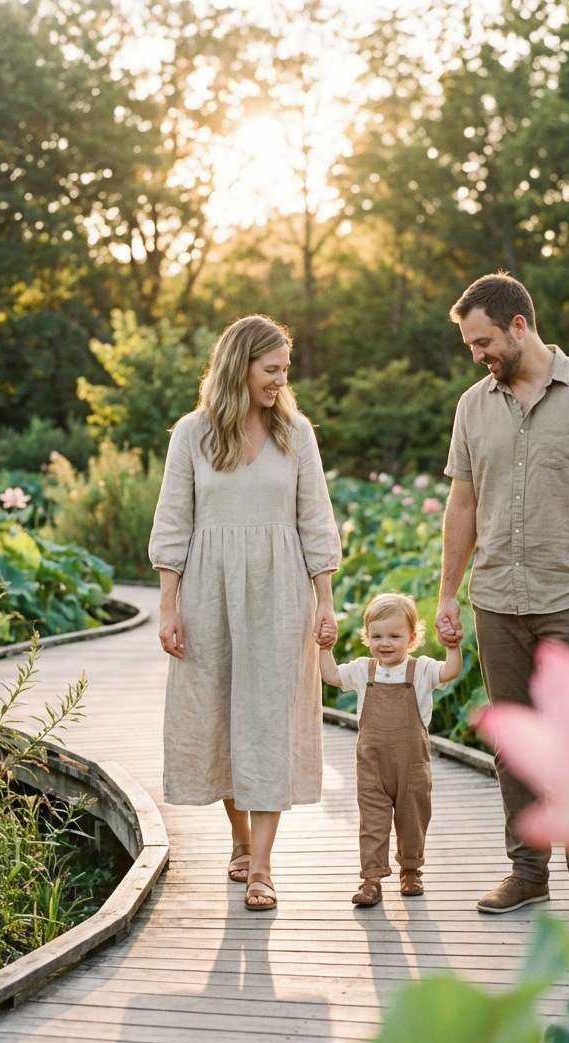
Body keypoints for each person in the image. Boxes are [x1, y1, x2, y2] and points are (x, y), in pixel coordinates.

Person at [436, 272, 569, 920]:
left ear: (519, 326)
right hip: (497, 598)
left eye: (484, 342)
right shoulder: (472, 406)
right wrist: (447, 594)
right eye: (471, 345)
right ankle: (527, 873)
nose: (478, 355)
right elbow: (461, 504)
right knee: (515, 744)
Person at [149, 314, 341, 911]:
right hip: (209, 592)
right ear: (239, 366)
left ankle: (261, 866)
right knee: (221, 717)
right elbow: (173, 521)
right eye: (271, 369)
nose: (281, 381)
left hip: (282, 593)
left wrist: (326, 601)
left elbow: (316, 518)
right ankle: (238, 839)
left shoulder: (295, 434)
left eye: (285, 370)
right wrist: (168, 608)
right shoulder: (193, 434)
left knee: (270, 720)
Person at [319, 592, 462, 907]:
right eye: (377, 636)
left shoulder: (421, 669)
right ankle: (371, 880)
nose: (385, 643)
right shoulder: (363, 670)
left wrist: (453, 647)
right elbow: (331, 676)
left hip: (412, 766)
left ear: (412, 638)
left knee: (413, 819)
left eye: (394, 636)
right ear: (367, 636)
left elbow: (449, 672)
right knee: (372, 822)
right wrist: (325, 649)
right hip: (372, 765)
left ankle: (410, 870)